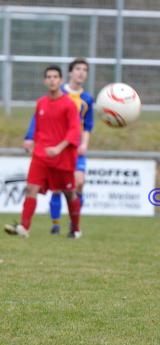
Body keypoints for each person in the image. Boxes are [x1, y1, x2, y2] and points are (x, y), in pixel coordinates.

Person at [5, 65, 82, 239]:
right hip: (41, 155)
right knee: (31, 187)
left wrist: (58, 148)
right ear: (44, 81)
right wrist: (31, 139)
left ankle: (75, 228)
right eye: (49, 77)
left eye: (55, 77)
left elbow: (73, 131)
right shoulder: (41, 103)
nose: (52, 80)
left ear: (61, 80)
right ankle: (24, 228)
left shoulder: (69, 105)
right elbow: (38, 126)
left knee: (69, 193)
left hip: (62, 157)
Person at [23, 58, 94, 235]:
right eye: (77, 69)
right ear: (69, 73)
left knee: (77, 185)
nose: (81, 73)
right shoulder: (55, 94)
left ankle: (74, 224)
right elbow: (38, 118)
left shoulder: (87, 99)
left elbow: (87, 126)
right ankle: (54, 224)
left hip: (72, 149)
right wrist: (30, 137)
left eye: (84, 70)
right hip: (51, 149)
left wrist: (84, 143)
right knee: (55, 189)